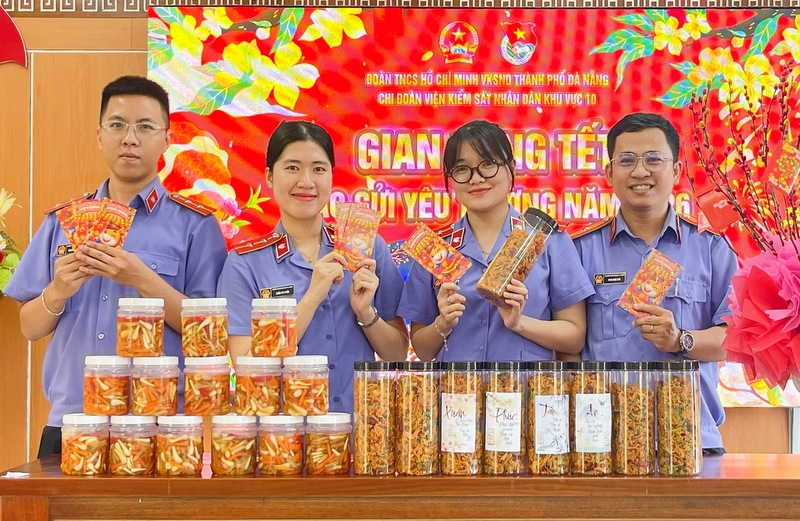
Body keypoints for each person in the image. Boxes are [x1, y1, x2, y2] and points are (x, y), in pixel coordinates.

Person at [3, 75, 228, 458]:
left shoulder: (195, 225)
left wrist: (140, 278)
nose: (130, 138)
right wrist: (57, 292)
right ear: (99, 135)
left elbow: (210, 337)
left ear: (167, 139)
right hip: (71, 421)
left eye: (145, 127)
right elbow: (29, 327)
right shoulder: (63, 222)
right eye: (118, 125)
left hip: (159, 425)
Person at [571, 112, 737, 453]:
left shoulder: (711, 247)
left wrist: (680, 339)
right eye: (627, 160)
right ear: (609, 173)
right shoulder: (579, 250)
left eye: (653, 159)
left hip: (690, 438)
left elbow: (734, 340)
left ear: (675, 170)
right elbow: (567, 346)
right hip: (605, 441)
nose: (640, 171)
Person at [217, 121, 408, 414]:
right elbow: (247, 370)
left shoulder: (367, 248)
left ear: (332, 177)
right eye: (292, 167)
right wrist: (310, 299)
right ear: (269, 176)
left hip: (360, 429)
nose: (306, 181)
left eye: (318, 169)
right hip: (283, 435)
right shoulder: (244, 264)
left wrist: (366, 314)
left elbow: (397, 353)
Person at [398, 120, 594, 362]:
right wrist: (443, 322)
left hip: (525, 385)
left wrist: (520, 323)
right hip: (457, 385)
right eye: (462, 169)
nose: (476, 178)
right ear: (450, 178)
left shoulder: (545, 240)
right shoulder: (435, 247)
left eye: (488, 164)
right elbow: (423, 350)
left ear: (511, 168)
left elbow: (574, 337)